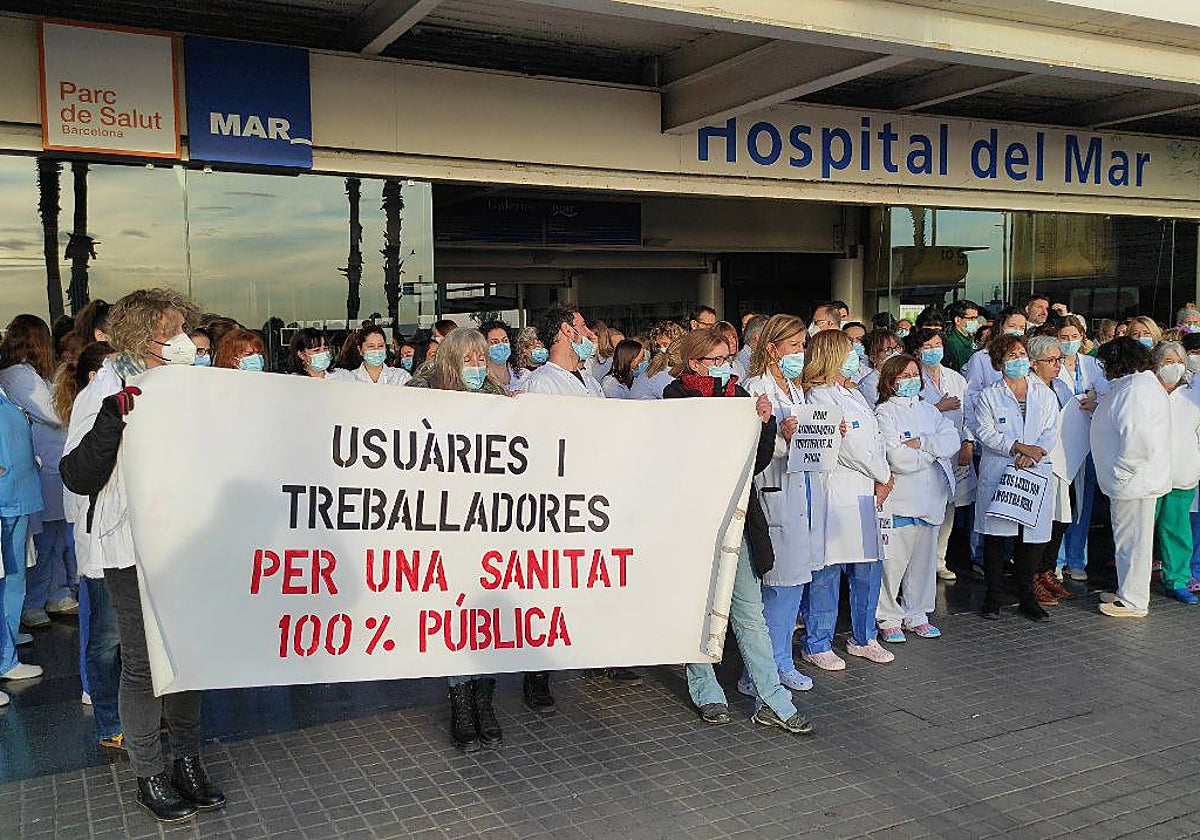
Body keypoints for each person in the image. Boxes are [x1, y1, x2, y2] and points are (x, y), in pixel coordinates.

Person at [60, 288, 224, 822]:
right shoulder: (104, 389)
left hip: (183, 540)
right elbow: (78, 473)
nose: (181, 342)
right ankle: (148, 771)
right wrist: (112, 421)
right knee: (143, 664)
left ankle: (187, 759)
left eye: (183, 330)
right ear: (137, 336)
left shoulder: (184, 385)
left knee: (188, 657)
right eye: (169, 332)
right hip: (129, 544)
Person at [664, 329, 814, 735]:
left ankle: (772, 697)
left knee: (749, 611)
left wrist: (763, 425)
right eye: (714, 361)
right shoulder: (674, 397)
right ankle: (705, 685)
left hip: (739, 517)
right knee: (699, 606)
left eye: (726, 359)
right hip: (694, 520)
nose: (723, 367)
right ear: (694, 363)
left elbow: (758, 460)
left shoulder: (740, 396)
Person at [406, 328, 509, 751]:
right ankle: (462, 705)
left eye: (481, 360)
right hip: (445, 525)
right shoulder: (420, 394)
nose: (476, 368)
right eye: (468, 359)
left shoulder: (498, 397)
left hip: (492, 524)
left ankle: (485, 702)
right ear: (450, 359)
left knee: (490, 620)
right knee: (457, 616)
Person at [802, 329, 895, 669]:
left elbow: (876, 439)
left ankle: (864, 636)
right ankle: (817, 641)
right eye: (849, 349)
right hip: (838, 493)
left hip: (867, 491)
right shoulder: (819, 397)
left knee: (868, 568)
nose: (856, 354)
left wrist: (884, 475)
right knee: (828, 570)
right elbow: (849, 448)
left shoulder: (854, 394)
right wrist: (883, 475)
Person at [740, 315, 818, 692]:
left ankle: (780, 662)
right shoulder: (756, 388)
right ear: (771, 349)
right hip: (773, 493)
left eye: (802, 346)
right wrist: (783, 436)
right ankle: (759, 673)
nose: (800, 353)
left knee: (794, 586)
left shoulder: (796, 388)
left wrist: (823, 434)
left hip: (799, 493)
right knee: (776, 589)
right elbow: (752, 449)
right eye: (793, 346)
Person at [55, 340, 123, 748]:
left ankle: (138, 714)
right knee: (106, 639)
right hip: (104, 537)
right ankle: (109, 720)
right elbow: (78, 472)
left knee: (136, 641)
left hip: (140, 537)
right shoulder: (95, 399)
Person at [971, 334, 1059, 622]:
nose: (1019, 360)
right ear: (999, 362)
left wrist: (1035, 452)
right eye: (1011, 356)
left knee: (1029, 541)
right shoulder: (989, 395)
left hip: (1034, 470)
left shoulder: (1043, 392)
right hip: (1000, 471)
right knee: (996, 539)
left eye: (1021, 354)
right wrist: (1018, 447)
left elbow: (1050, 430)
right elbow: (985, 432)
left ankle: (1027, 598)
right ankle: (992, 598)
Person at [874, 355, 959, 642]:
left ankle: (917, 613)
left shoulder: (929, 411)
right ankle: (888, 617)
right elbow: (896, 458)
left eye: (914, 374)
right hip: (900, 502)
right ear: (890, 380)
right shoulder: (884, 413)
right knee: (892, 565)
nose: (911, 380)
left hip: (931, 500)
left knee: (922, 566)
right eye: (904, 375)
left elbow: (951, 440)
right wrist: (932, 453)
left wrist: (922, 444)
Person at [0, 315, 76, 630]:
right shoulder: (18, 376)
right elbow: (55, 412)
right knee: (42, 542)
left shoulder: (33, 375)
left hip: (50, 466)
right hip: (39, 469)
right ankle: (33, 602)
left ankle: (54, 593)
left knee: (55, 538)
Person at [1091, 337, 1172, 618]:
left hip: (1133, 480)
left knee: (1134, 542)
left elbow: (1138, 439)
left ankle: (1134, 600)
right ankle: (1128, 589)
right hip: (1132, 479)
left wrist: (1121, 471)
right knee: (1128, 540)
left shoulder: (1136, 390)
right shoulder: (1136, 385)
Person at [907, 327, 973, 582]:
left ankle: (939, 560)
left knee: (949, 510)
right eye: (928, 347)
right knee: (924, 509)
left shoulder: (955, 378)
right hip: (924, 453)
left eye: (937, 345)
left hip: (954, 452)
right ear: (917, 351)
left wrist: (968, 441)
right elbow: (908, 412)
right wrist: (939, 406)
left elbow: (969, 413)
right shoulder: (913, 378)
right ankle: (917, 565)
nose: (935, 351)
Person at [1147, 342, 1200, 604]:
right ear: (1155, 362)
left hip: (1182, 473)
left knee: (1177, 530)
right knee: (1142, 530)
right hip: (1148, 475)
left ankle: (1177, 580)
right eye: (1168, 361)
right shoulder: (1144, 388)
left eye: (1179, 360)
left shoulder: (1195, 391)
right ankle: (1135, 580)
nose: (1174, 366)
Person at [1027, 335, 1078, 606]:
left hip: (1063, 464)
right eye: (1051, 360)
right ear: (1034, 363)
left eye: (1059, 359)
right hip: (1039, 463)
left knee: (1060, 520)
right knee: (1039, 524)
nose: (1057, 365)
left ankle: (1047, 571)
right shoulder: (1028, 389)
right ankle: (1032, 577)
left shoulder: (1060, 386)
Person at [1055, 318, 1105, 581]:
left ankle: (1076, 560)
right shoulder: (1051, 365)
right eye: (1063, 336)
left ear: (1082, 337)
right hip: (1060, 443)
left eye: (1073, 336)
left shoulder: (1093, 365)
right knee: (1060, 503)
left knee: (1082, 504)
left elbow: (1106, 393)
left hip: (1086, 441)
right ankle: (1057, 559)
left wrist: (1095, 400)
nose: (1068, 341)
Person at [523, 305, 604, 398]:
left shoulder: (591, 381)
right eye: (583, 325)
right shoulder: (541, 383)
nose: (589, 333)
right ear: (567, 330)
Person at [347, 325, 412, 386]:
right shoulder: (349, 379)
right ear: (360, 350)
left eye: (380, 346)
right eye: (371, 346)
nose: (376, 350)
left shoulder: (401, 377)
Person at [856, 329, 902, 407]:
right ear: (873, 358)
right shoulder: (868, 384)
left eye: (897, 347)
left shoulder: (903, 378)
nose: (895, 353)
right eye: (888, 349)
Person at [480, 321, 526, 394]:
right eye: (495, 342)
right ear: (484, 346)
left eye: (505, 340)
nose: (501, 345)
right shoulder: (480, 380)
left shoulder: (524, 375)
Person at [944, 300, 981, 371]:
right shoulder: (952, 342)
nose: (975, 321)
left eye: (976, 318)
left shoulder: (971, 338)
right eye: (971, 318)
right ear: (958, 320)